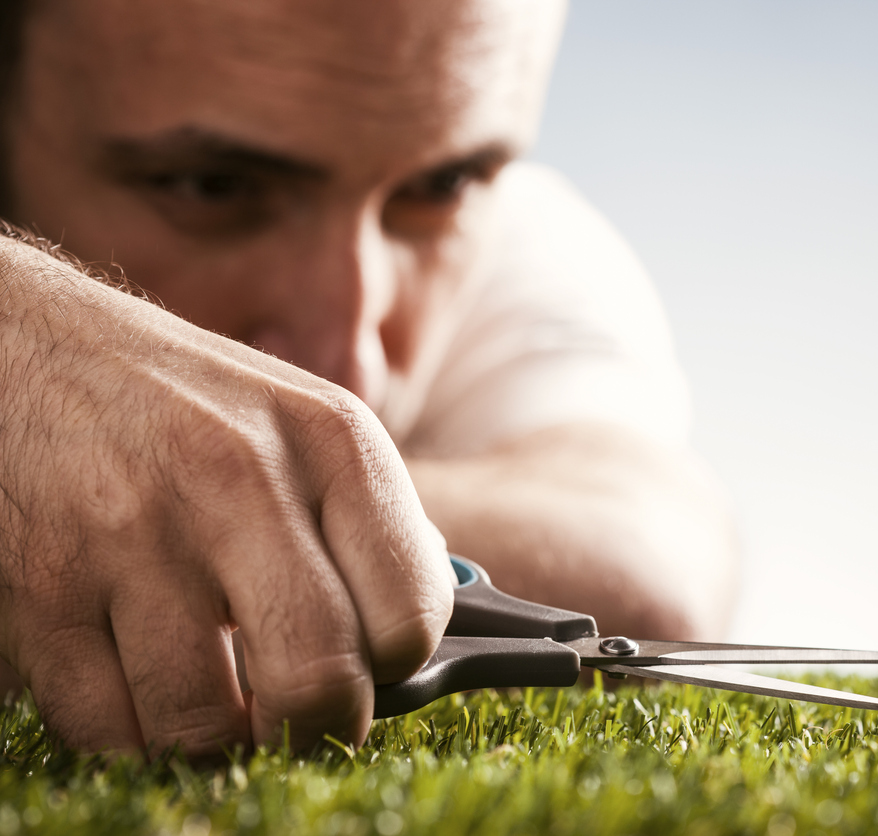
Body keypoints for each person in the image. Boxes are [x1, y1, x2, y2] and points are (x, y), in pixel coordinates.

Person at [0, 0, 738, 759]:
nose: (353, 366)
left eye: (445, 182)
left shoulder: (526, 243)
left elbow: (646, 571)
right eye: (210, 185)